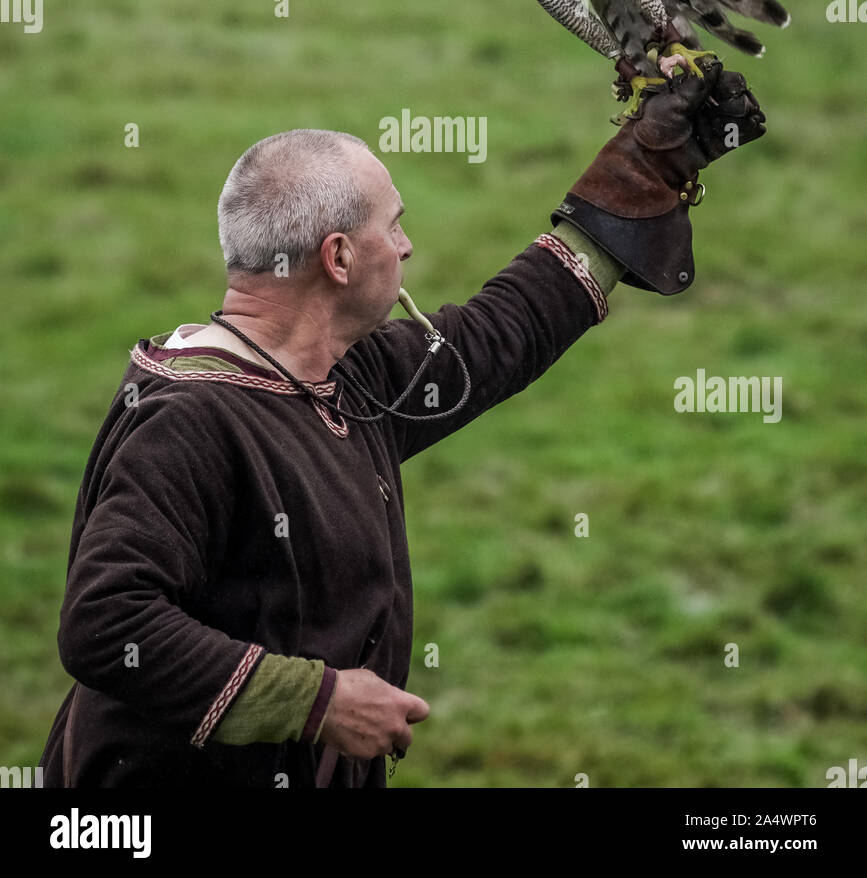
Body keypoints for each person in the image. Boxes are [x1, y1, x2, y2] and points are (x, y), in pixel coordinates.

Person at [39, 63, 765, 789]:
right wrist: (318, 702)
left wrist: (639, 175)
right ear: (339, 257)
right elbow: (107, 624)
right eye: (394, 225)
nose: (408, 247)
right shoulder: (191, 420)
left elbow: (497, 335)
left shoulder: (341, 373)